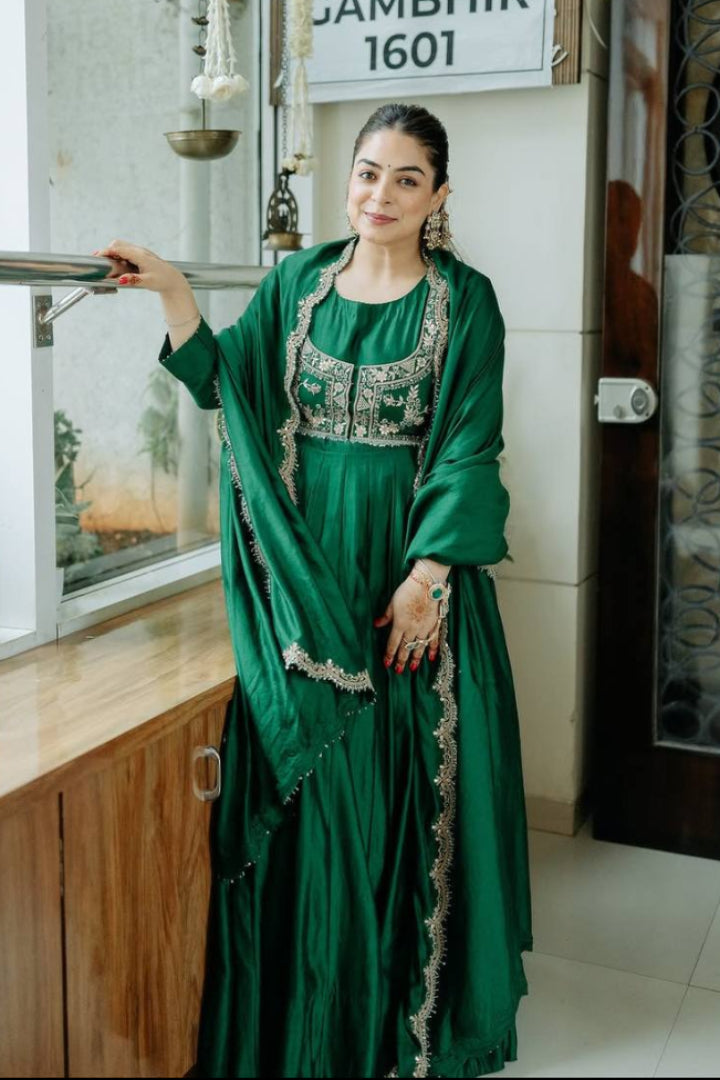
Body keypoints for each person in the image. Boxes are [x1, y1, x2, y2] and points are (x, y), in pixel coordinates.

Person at [96, 102, 532, 1080]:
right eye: (368, 172)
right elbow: (230, 390)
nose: (380, 194)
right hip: (312, 573)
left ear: (440, 194)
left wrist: (429, 575)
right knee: (320, 798)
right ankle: (320, 1013)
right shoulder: (298, 283)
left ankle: (397, 1024)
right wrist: (171, 292)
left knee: (401, 793)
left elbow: (470, 445)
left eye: (406, 179)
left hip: (413, 577)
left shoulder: (467, 302)